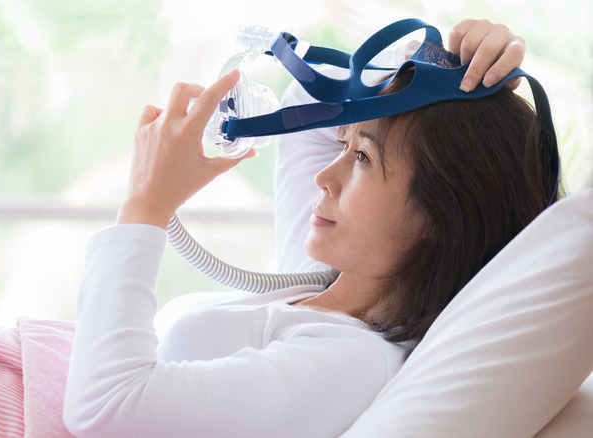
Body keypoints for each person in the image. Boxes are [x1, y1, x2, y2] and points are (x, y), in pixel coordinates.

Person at [63, 18, 554, 438]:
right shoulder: (319, 278)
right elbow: (308, 97)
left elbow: (105, 410)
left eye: (361, 156)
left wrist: (145, 205)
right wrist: (437, 65)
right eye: (344, 143)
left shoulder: (349, 360)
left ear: (441, 214)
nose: (324, 175)